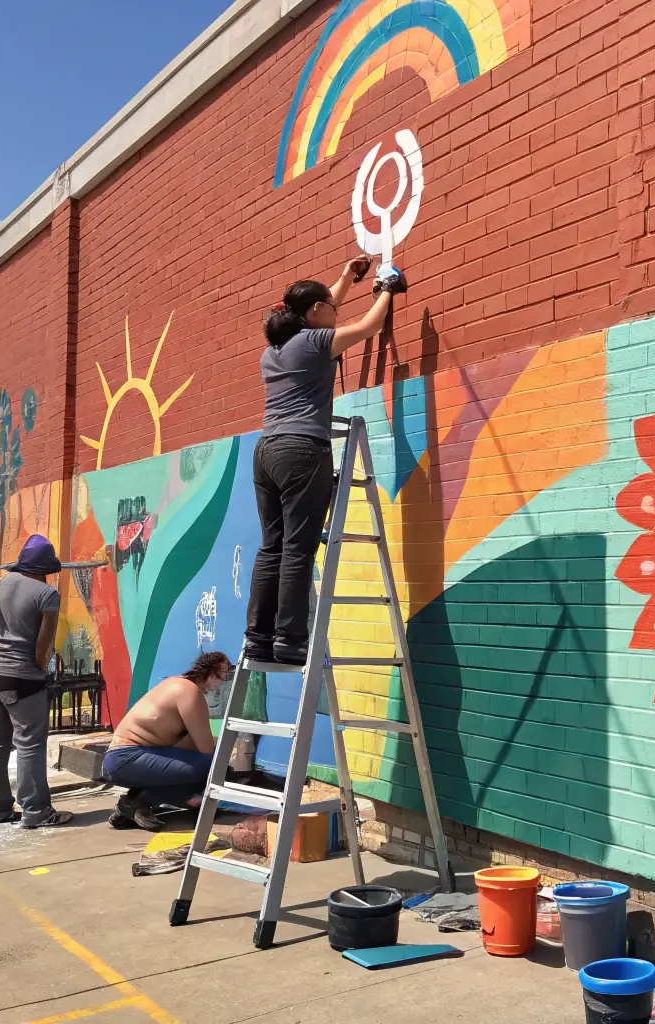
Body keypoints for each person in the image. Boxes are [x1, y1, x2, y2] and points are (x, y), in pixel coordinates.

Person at [244, 255, 406, 665]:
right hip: (302, 449)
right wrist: (387, 289)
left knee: (272, 549)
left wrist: (346, 279)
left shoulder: (274, 350)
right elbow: (368, 327)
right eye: (331, 309)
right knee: (298, 549)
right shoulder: (315, 342)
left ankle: (258, 638)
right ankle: (290, 640)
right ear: (314, 312)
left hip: (266, 452)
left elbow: (318, 308)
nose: (336, 313)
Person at [0, 534, 72, 828]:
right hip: (20, 677)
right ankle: (37, 811)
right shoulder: (47, 594)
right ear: (46, 568)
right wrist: (40, 672)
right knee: (29, 743)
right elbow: (43, 645)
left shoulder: (2, 584)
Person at [103, 651, 231, 831]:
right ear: (210, 675)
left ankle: (133, 803)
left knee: (201, 765)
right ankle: (140, 801)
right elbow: (205, 749)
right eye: (221, 679)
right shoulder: (190, 692)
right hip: (127, 757)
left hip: (125, 758)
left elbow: (183, 744)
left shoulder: (176, 684)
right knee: (213, 766)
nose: (220, 686)